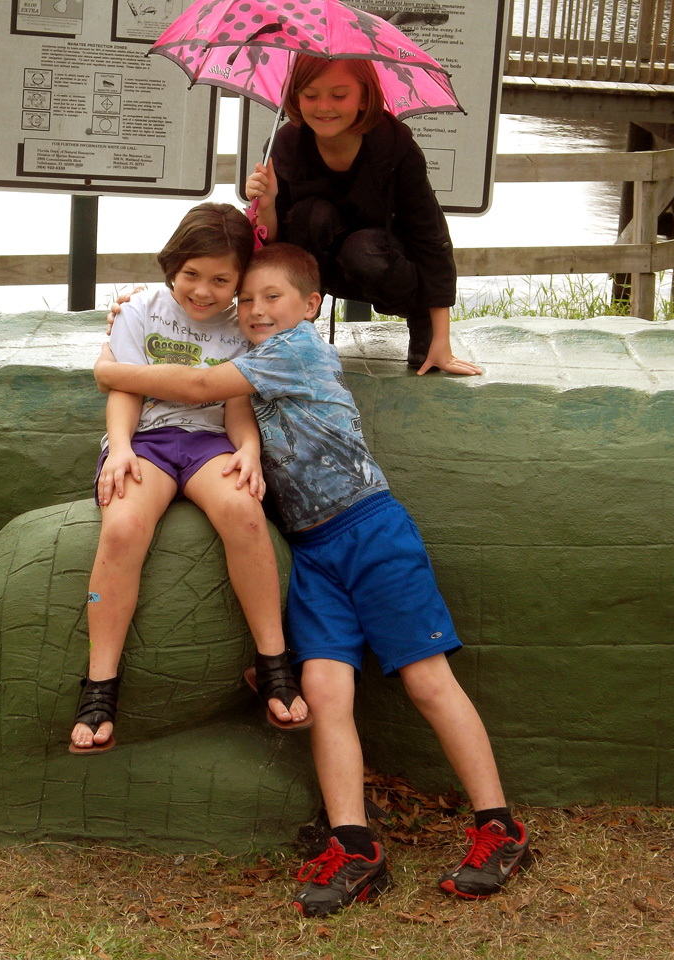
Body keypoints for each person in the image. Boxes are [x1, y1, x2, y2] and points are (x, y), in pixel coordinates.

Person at [92, 243, 526, 915]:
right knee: (324, 689)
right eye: (249, 300)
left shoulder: (297, 350)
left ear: (310, 306)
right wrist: (131, 313)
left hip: (370, 530)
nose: (257, 310)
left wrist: (111, 367)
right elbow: (190, 326)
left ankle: (499, 826)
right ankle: (355, 845)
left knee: (426, 678)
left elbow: (204, 386)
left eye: (273, 298)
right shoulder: (244, 345)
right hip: (313, 550)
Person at [69, 203, 310, 755]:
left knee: (244, 512)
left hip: (210, 443)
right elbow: (124, 390)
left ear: (239, 280)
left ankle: (273, 663)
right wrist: (121, 450)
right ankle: (100, 685)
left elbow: (237, 403)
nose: (204, 291)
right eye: (192, 275)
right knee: (124, 525)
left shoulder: (244, 326)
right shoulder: (140, 312)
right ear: (172, 267)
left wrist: (249, 450)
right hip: (148, 442)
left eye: (222, 280)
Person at [245, 53, 482, 377]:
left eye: (339, 95)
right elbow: (277, 248)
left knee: (363, 250)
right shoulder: (284, 147)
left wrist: (441, 339)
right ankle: (297, 329)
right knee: (310, 216)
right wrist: (268, 205)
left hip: (386, 267)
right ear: (295, 97)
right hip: (319, 266)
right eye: (311, 95)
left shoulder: (396, 148)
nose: (324, 106)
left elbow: (430, 238)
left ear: (364, 98)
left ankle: (420, 321)